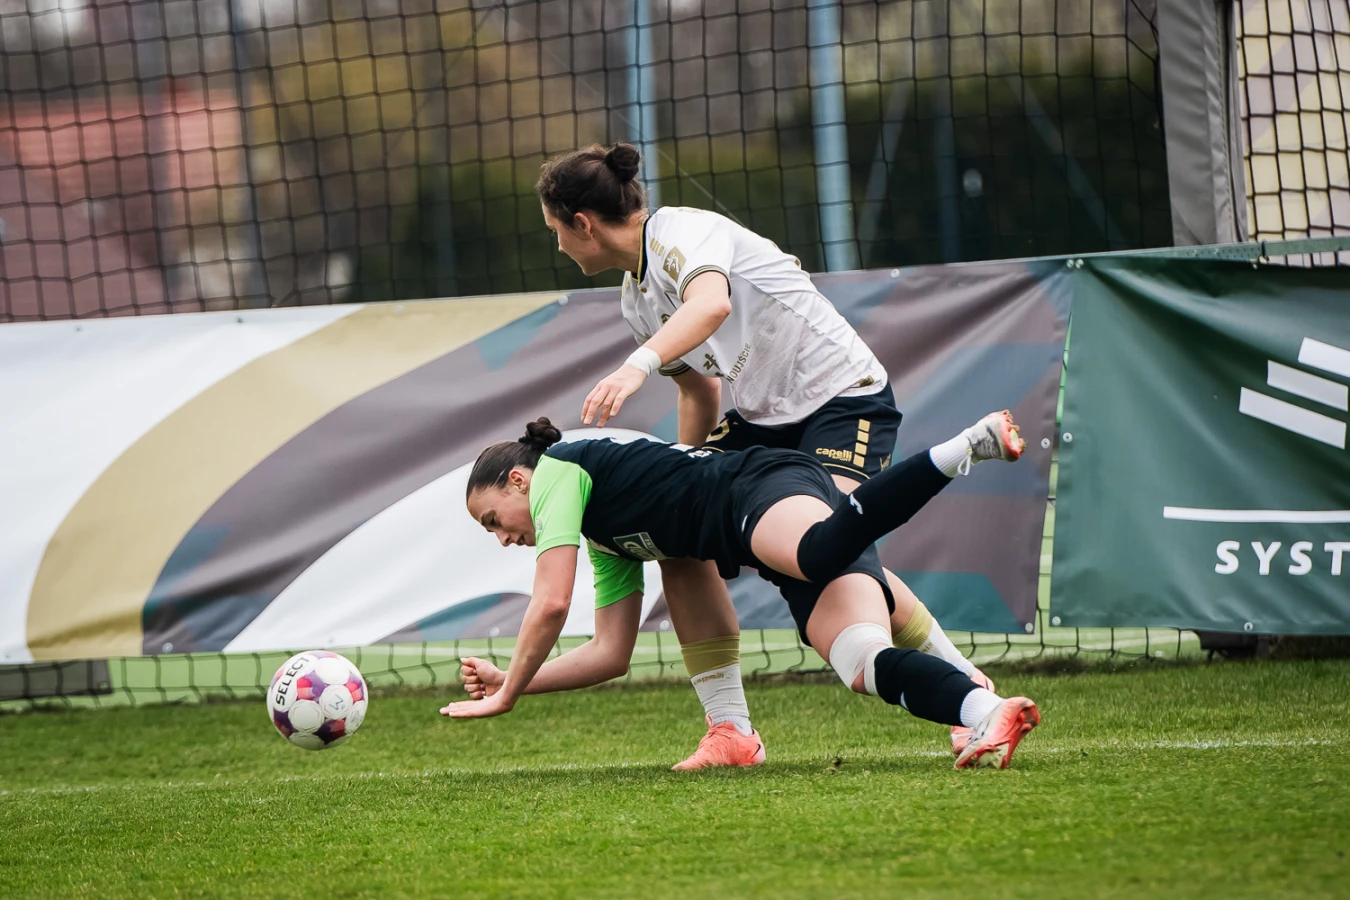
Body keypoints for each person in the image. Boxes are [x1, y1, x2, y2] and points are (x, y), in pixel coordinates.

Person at [534, 142, 997, 768]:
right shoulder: (635, 300)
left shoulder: (679, 231)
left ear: (582, 223)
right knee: (675, 535)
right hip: (761, 421)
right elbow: (700, 390)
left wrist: (634, 367)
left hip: (842, 399)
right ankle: (730, 731)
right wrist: (681, 479)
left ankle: (967, 686)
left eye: (556, 231)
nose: (558, 245)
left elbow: (712, 303)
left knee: (823, 551)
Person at [441, 415, 1040, 772]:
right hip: (760, 538)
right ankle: (981, 709)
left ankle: (967, 446)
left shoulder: (556, 471)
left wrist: (507, 695)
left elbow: (550, 602)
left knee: (817, 552)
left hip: (760, 485)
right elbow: (610, 653)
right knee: (862, 662)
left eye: (494, 520)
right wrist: (513, 679)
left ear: (518, 480)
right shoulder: (606, 539)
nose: (502, 538)